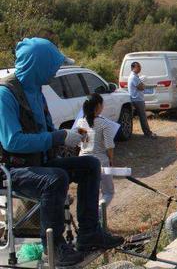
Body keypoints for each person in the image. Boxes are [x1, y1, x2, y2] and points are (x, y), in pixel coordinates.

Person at [0, 38, 123, 266]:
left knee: (90, 164)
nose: (56, 71)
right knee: (55, 179)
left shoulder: (36, 91)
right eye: (53, 66)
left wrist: (69, 135)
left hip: (40, 161)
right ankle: (53, 246)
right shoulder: (5, 95)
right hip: (11, 169)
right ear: (39, 65)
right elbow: (12, 142)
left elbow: (45, 130)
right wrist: (59, 137)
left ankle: (88, 233)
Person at [75, 94, 116, 209]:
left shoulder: (80, 123)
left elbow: (80, 143)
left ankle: (87, 216)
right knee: (108, 192)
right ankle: (98, 214)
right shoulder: (104, 123)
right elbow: (109, 146)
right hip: (100, 161)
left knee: (88, 192)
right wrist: (111, 159)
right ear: (98, 106)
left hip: (82, 160)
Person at [127, 62, 156, 138]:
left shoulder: (134, 76)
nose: (140, 68)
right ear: (133, 68)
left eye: (140, 66)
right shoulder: (134, 77)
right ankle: (147, 133)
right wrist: (143, 84)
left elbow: (141, 86)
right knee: (143, 117)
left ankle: (132, 133)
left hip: (135, 99)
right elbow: (141, 87)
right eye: (138, 67)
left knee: (134, 117)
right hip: (137, 100)